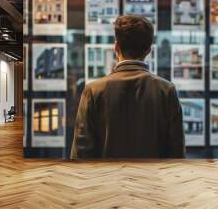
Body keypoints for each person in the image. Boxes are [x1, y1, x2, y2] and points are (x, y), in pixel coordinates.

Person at [71, 15, 185, 159]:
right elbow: (177, 154)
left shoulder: (93, 91)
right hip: (154, 180)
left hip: (105, 180)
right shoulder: (166, 90)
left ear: (116, 47)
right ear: (148, 50)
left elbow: (81, 155)